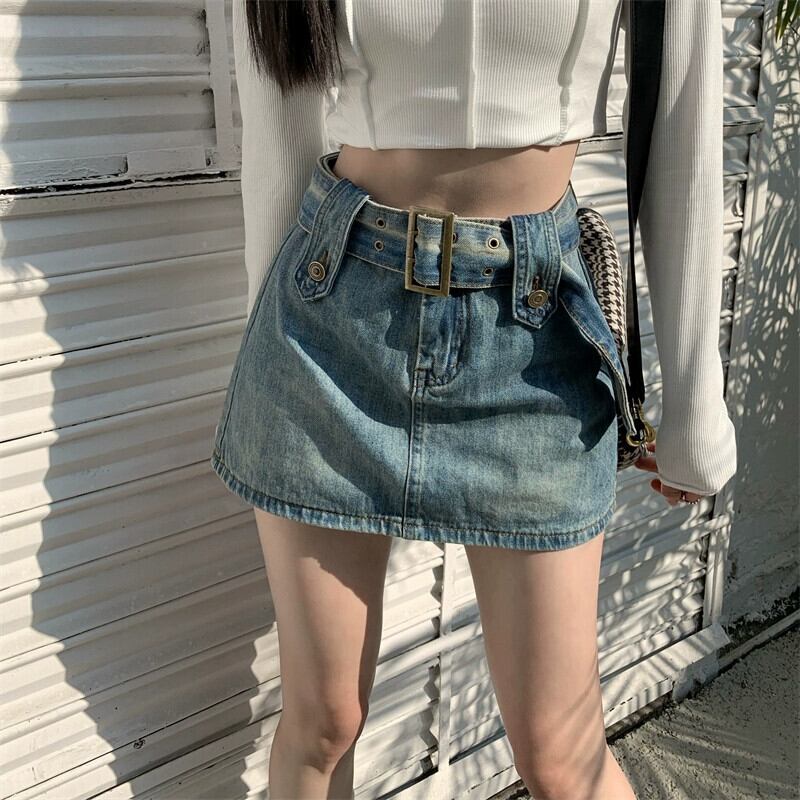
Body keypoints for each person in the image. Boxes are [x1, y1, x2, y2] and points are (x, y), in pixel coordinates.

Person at [210, 1, 738, 797]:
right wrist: (269, 342)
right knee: (321, 722)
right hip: (330, 314)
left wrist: (697, 408)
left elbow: (681, 120)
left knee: (561, 754)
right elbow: (278, 119)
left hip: (534, 333)